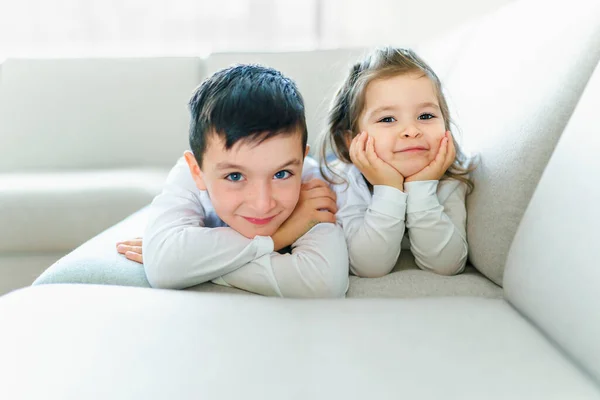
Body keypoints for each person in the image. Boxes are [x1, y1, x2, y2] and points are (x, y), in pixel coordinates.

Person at [117, 64, 349, 298]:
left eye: (281, 174)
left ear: (300, 159)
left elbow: (323, 282)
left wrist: (197, 267)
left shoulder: (312, 183)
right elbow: (165, 266)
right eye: (235, 176)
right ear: (198, 171)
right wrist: (277, 239)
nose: (262, 204)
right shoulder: (189, 173)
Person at [318, 47, 475, 278]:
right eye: (388, 119)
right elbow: (368, 267)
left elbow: (447, 265)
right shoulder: (346, 181)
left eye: (425, 116)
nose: (411, 131)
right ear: (351, 139)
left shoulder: (450, 176)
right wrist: (388, 188)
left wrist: (422, 188)